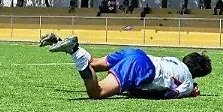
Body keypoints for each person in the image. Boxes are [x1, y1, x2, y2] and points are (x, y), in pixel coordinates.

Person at [39, 33, 211, 100]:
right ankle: (75, 51)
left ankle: (61, 42)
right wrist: (191, 93)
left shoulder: (174, 59)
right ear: (198, 74)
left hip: (137, 54)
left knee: (95, 63)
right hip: (142, 68)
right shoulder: (188, 82)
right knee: (96, 92)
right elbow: (168, 94)